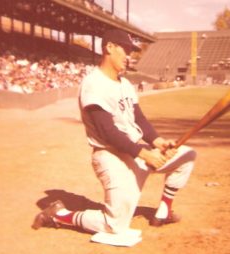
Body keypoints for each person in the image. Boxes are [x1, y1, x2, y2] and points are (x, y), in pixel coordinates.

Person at [32, 29, 196, 243]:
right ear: (109, 47)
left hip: (134, 151)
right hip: (110, 157)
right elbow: (106, 132)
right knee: (115, 226)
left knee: (186, 156)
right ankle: (60, 215)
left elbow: (139, 120)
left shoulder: (125, 84)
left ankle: (163, 212)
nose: (130, 56)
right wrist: (145, 154)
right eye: (126, 50)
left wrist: (158, 142)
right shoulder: (94, 83)